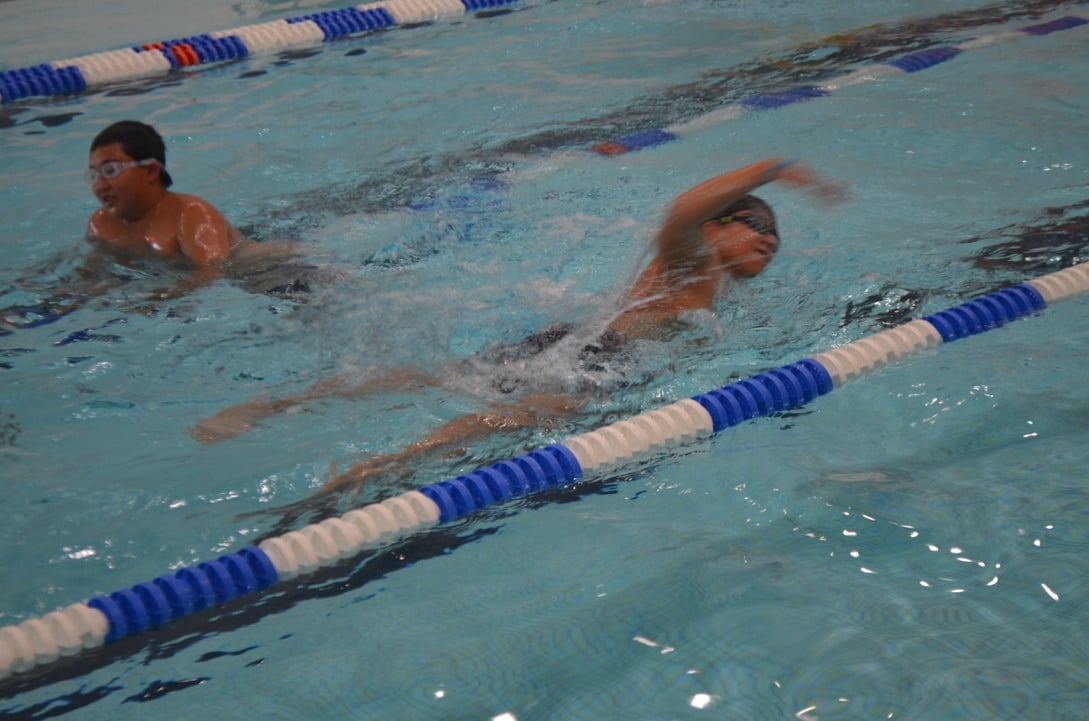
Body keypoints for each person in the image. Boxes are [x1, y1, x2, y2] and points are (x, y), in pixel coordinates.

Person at [192, 158, 846, 498]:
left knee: (436, 379)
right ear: (718, 228)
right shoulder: (691, 258)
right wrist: (772, 168)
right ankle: (369, 473)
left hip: (573, 339)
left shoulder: (708, 278)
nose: (771, 241)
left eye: (777, 237)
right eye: (757, 227)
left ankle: (277, 406)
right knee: (516, 419)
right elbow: (681, 207)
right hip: (598, 356)